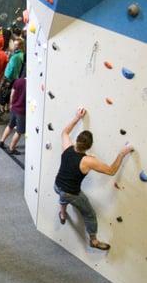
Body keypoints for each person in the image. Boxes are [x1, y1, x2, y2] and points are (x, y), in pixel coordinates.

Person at [54, 108, 134, 251]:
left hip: (57, 185)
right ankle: (94, 241)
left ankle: (62, 213)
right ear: (89, 147)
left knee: (62, 195)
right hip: (70, 192)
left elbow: (65, 132)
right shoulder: (88, 161)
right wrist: (122, 154)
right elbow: (111, 170)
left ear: (77, 140)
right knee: (90, 214)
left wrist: (77, 117)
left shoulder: (67, 147)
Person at [0, 77, 26, 154]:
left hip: (14, 107)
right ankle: (11, 148)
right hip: (22, 111)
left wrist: (11, 104)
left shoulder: (18, 81)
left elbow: (12, 94)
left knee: (10, 125)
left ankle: (1, 141)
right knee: (19, 131)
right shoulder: (31, 84)